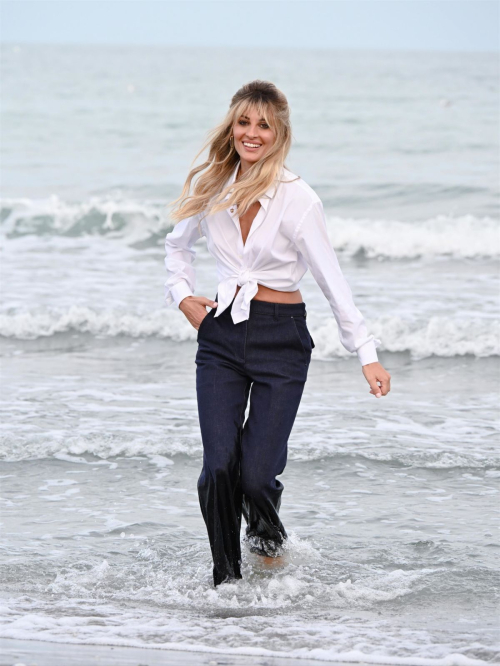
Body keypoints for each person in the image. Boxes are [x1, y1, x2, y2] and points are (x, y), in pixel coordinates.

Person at [164, 80, 391, 587]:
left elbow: (334, 282)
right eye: (244, 122)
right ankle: (226, 583)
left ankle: (266, 538)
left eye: (263, 124)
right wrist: (182, 296)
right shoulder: (212, 188)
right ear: (232, 125)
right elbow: (176, 247)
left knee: (257, 475)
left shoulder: (298, 200)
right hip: (221, 335)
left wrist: (367, 354)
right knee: (218, 468)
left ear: (279, 132)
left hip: (281, 340)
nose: (252, 133)